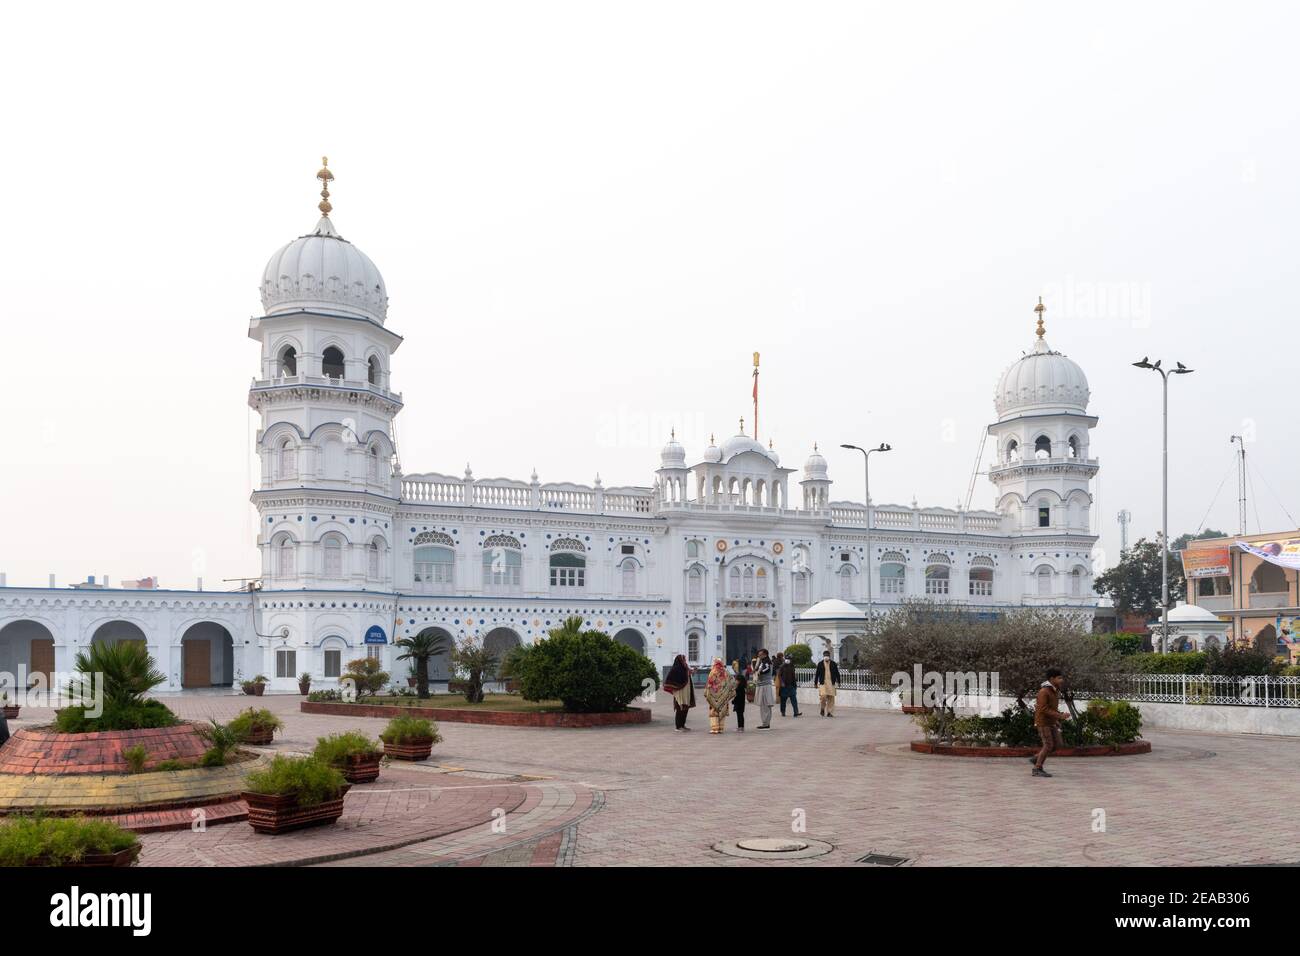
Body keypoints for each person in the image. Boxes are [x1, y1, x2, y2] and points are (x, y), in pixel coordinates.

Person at [1031, 667, 1068, 777]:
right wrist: (1060, 716)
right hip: (1043, 722)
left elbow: (1052, 708)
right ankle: (1037, 768)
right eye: (1059, 678)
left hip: (1051, 722)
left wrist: (1056, 720)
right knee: (1048, 745)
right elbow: (1043, 709)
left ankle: (1037, 758)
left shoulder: (1054, 690)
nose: (1061, 680)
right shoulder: (1044, 691)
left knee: (1058, 744)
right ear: (1052, 679)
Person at [703, 658, 737, 734]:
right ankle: (721, 728)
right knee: (722, 710)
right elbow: (732, 682)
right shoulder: (726, 671)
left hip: (714, 695)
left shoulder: (713, 671)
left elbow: (709, 683)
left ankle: (715, 728)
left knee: (714, 711)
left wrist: (707, 691)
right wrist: (728, 691)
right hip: (724, 695)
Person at [663, 654, 695, 732]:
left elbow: (686, 676)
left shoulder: (685, 668)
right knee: (679, 709)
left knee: (685, 708)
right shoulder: (676, 669)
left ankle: (683, 725)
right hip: (679, 693)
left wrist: (691, 672)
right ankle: (678, 726)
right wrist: (675, 688)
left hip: (686, 692)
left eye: (685, 660)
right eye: (683, 660)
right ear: (680, 661)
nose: (685, 661)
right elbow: (670, 680)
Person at [753, 649, 775, 729]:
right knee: (764, 705)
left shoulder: (767, 662)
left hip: (764, 686)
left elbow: (766, 670)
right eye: (758, 655)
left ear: (765, 654)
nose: (759, 656)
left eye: (760, 654)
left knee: (765, 705)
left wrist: (758, 673)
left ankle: (766, 723)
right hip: (762, 685)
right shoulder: (762, 662)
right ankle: (765, 722)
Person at [814, 650, 840, 717]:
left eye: (827, 656)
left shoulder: (833, 664)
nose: (826, 657)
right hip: (823, 683)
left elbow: (837, 673)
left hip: (831, 683)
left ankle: (829, 712)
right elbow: (817, 674)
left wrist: (839, 681)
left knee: (831, 698)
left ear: (829, 656)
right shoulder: (820, 664)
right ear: (823, 656)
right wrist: (815, 683)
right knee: (823, 696)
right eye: (825, 656)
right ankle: (822, 708)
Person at [731, 660, 749, 732]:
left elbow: (738, 697)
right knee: (740, 716)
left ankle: (741, 727)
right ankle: (740, 727)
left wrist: (733, 701)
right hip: (740, 704)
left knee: (740, 716)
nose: (735, 681)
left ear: (739, 681)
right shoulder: (741, 688)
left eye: (736, 680)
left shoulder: (739, 688)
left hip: (739, 704)